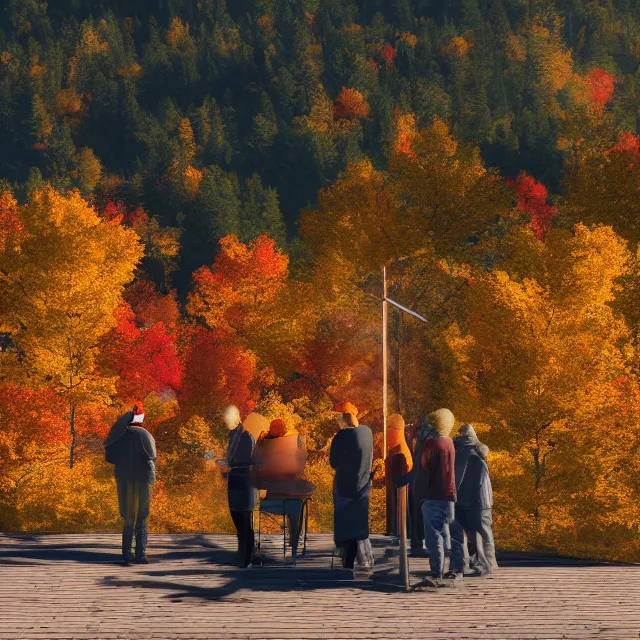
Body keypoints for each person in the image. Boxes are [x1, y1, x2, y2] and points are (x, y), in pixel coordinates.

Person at [103, 402, 156, 566]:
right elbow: (152, 456)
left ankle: (127, 553)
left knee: (127, 516)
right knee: (142, 516)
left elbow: (109, 457)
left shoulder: (119, 436)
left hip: (124, 479)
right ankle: (140, 554)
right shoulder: (145, 434)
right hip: (141, 480)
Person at [329, 402, 374, 572]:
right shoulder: (367, 432)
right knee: (359, 522)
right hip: (363, 486)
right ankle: (362, 558)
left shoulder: (341, 437)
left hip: (344, 487)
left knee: (343, 522)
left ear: (343, 418)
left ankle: (347, 561)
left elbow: (334, 462)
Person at [415, 408, 456, 585]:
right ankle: (448, 568)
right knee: (445, 532)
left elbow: (423, 467)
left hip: (432, 494)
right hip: (448, 493)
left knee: (433, 535)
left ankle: (436, 573)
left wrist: (419, 494)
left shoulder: (431, 444)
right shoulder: (449, 442)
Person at [449, 424, 496, 578]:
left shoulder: (464, 453)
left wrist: (452, 495)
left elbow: (458, 478)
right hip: (482, 500)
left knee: (463, 533)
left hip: (469, 500)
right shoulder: (478, 451)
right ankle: (487, 564)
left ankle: (468, 565)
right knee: (482, 534)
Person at [220, 404, 257, 568]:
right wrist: (224, 468)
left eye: (228, 418)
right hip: (235, 482)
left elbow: (244, 461)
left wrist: (228, 465)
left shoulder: (246, 437)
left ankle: (246, 558)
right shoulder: (233, 437)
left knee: (244, 522)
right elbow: (231, 461)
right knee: (238, 521)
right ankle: (243, 556)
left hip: (244, 483)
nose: (226, 421)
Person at [385, 413, 413, 536]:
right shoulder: (398, 449)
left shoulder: (400, 452)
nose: (387, 432)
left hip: (400, 493)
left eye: (390, 428)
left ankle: (399, 530)